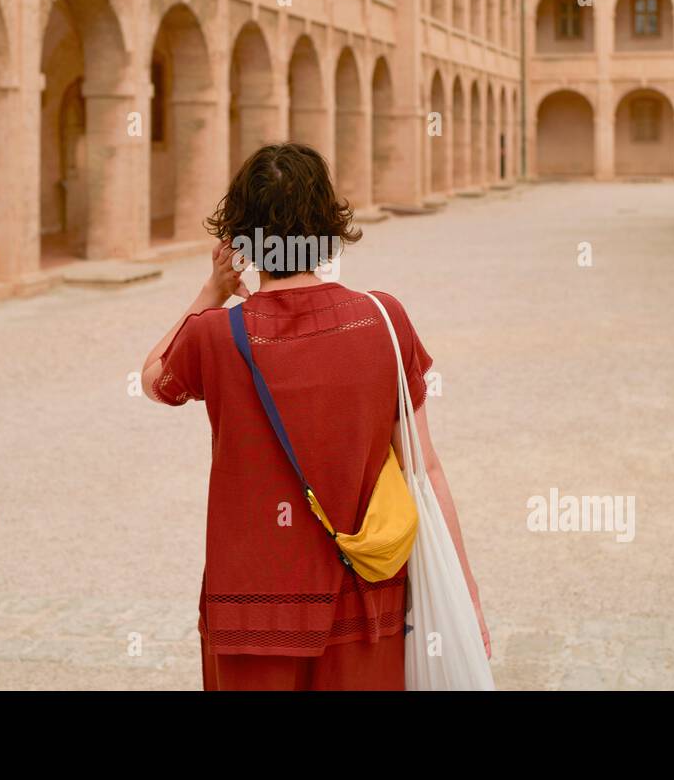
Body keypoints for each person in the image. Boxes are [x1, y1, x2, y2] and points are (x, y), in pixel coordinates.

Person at [141, 143, 489, 690]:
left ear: (241, 240)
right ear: (329, 228)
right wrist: (464, 590)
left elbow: (155, 380)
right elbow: (425, 470)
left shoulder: (215, 333)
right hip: (365, 602)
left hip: (249, 611)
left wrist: (212, 291)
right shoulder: (382, 319)